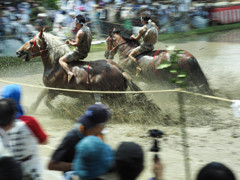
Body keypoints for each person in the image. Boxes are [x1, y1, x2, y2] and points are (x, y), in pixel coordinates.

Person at [48, 103, 111, 175]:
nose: (84, 125)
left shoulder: (100, 136)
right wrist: (79, 165)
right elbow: (51, 165)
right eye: (85, 123)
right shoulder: (72, 138)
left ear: (101, 127)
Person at [1, 84, 48, 180]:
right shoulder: (29, 121)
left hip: (6, 171)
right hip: (31, 170)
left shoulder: (2, 124)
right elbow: (44, 140)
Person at [59, 14, 92, 83]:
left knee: (61, 60)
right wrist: (76, 41)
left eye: (76, 23)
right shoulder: (87, 29)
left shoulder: (80, 32)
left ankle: (69, 73)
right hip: (86, 51)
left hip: (79, 53)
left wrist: (69, 42)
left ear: (79, 23)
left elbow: (76, 44)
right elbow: (82, 41)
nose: (75, 25)